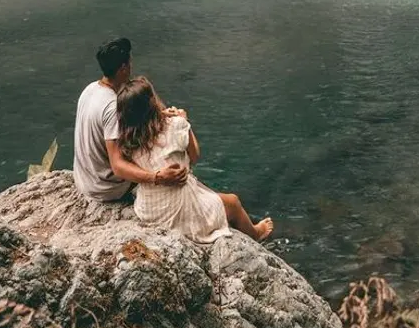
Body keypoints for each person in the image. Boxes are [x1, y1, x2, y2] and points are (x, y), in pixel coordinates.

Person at [118, 76, 273, 243]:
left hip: (150, 210)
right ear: (152, 102)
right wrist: (185, 122)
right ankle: (256, 233)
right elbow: (194, 156)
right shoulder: (175, 125)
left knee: (210, 195)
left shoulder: (127, 140)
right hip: (178, 210)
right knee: (233, 202)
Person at [73, 37, 186, 202]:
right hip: (105, 188)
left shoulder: (90, 89)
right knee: (163, 152)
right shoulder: (113, 107)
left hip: (84, 179)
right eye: (129, 63)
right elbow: (117, 165)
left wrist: (159, 114)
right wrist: (158, 177)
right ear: (123, 68)